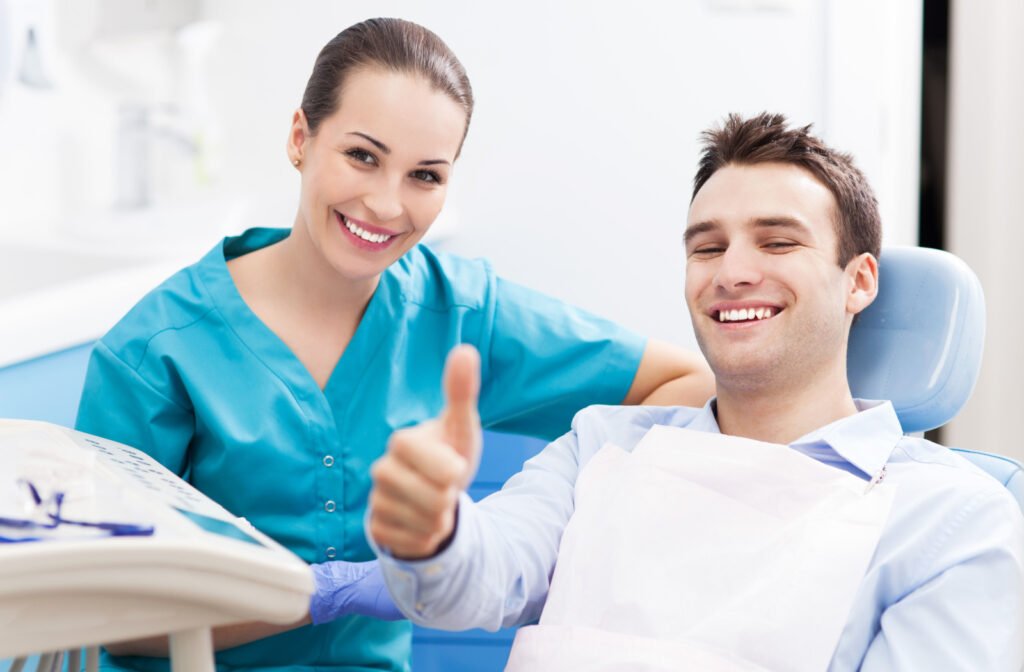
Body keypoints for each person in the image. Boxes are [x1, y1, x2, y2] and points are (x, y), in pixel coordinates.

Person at [73, 17, 714, 672]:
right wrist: (322, 595)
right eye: (362, 156)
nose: (385, 203)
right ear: (301, 138)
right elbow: (106, 614)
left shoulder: (461, 313)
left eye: (425, 176)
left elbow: (687, 388)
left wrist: (516, 528)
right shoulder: (157, 351)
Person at [367, 112, 1024, 671]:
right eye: (707, 249)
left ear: (859, 282)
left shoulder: (950, 522)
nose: (733, 273)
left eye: (777, 241)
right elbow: (477, 582)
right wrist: (433, 533)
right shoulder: (601, 445)